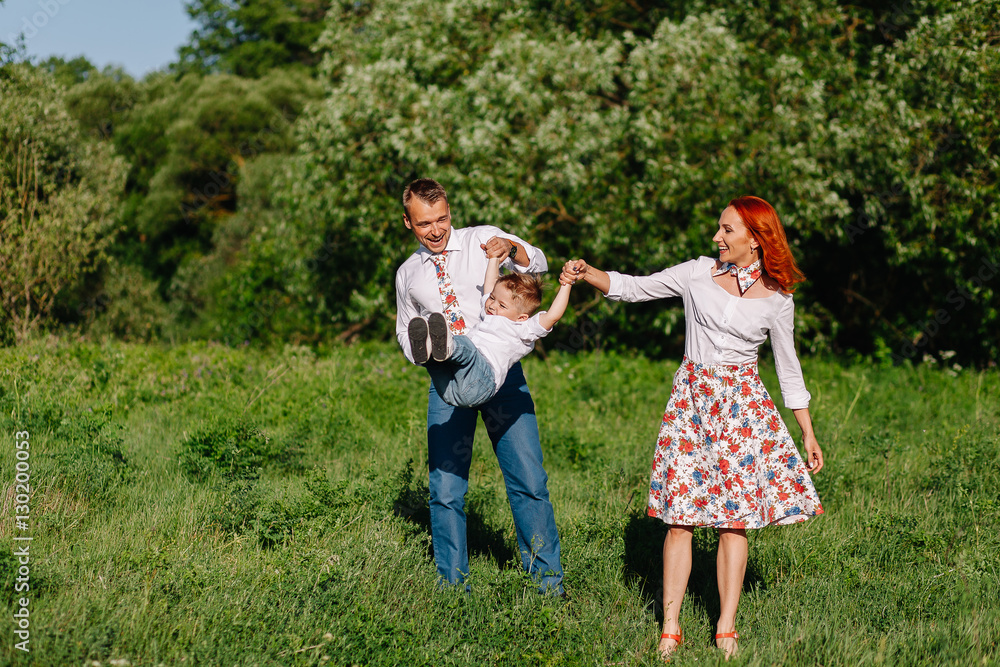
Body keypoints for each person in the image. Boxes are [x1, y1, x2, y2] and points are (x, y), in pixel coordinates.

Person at [563, 195, 824, 660]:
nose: (716, 237)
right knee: (680, 520)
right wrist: (588, 274)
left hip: (744, 411)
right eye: (719, 228)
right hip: (692, 407)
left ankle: (726, 627)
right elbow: (633, 287)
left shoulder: (779, 298)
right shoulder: (696, 273)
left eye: (726, 230)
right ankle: (670, 626)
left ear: (755, 238)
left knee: (733, 523)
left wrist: (806, 430)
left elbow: (789, 368)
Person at [395, 178, 565, 595]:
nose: (436, 230)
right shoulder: (408, 274)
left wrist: (512, 249)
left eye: (443, 219)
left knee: (528, 480)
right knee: (446, 489)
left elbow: (537, 264)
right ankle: (453, 587)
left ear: (450, 213)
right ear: (407, 223)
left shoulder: (483, 239)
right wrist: (420, 353)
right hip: (450, 383)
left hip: (502, 379)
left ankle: (548, 586)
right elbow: (404, 331)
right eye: (424, 224)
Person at [408, 252, 573, 408]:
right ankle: (427, 351)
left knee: (468, 349)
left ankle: (447, 344)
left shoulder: (523, 328)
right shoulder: (487, 312)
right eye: (493, 298)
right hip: (450, 391)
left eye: (502, 305)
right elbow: (490, 284)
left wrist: (567, 284)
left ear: (521, 317)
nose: (493, 305)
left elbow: (552, 316)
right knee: (438, 362)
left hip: (482, 383)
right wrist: (493, 258)